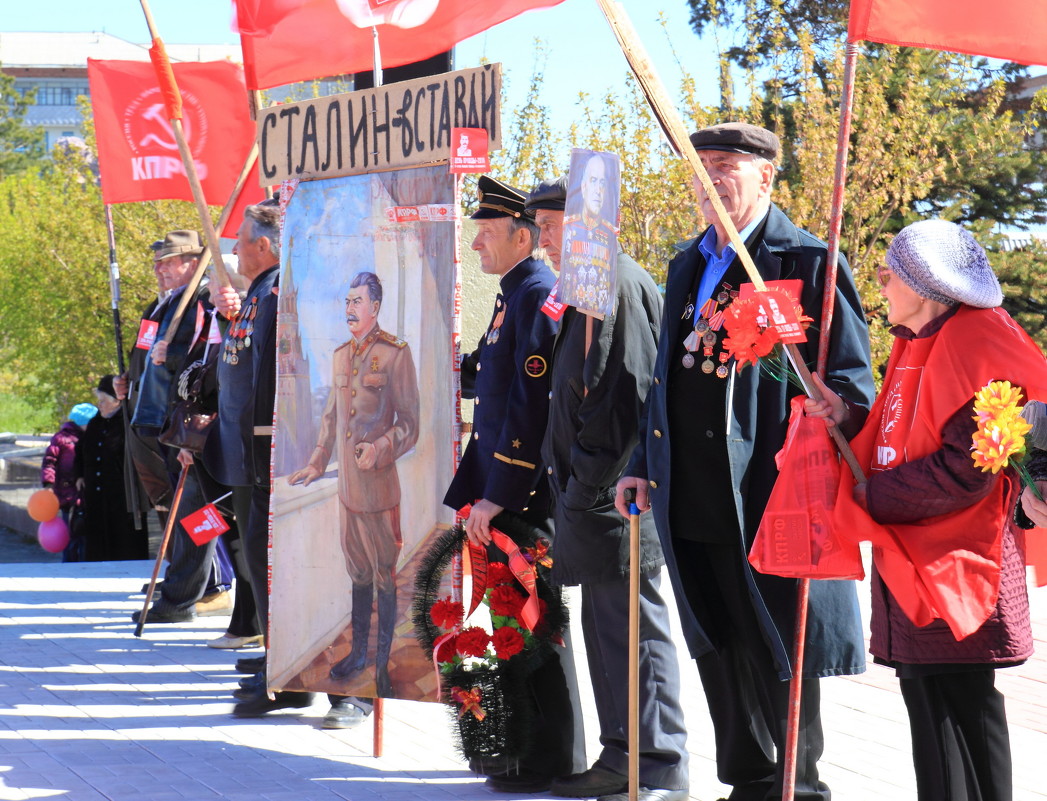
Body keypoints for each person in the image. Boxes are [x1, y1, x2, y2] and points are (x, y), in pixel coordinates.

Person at [615, 122, 875, 801]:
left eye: (725, 164)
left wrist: (837, 407)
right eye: (699, 165)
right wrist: (640, 459)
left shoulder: (806, 262)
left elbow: (852, 381)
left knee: (778, 644)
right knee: (717, 635)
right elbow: (663, 383)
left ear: (766, 177)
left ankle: (797, 784)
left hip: (766, 493)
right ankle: (747, 779)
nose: (709, 179)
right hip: (690, 492)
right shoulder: (685, 265)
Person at [807, 219, 1047, 801]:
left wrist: (866, 497)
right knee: (929, 707)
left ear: (926, 282)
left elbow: (965, 470)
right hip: (915, 558)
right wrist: (848, 419)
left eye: (891, 271)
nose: (881, 281)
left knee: (964, 710)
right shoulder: (918, 341)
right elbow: (902, 440)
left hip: (963, 564)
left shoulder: (979, 341)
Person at [527, 178, 689, 801]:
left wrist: (584, 485)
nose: (543, 238)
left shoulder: (615, 282)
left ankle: (655, 761)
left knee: (633, 630)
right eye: (540, 225)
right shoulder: (586, 284)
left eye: (551, 224)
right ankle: (623, 752)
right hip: (589, 493)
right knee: (607, 630)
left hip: (613, 495)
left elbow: (623, 395)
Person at [443, 174, 584, 794]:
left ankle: (551, 756)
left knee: (534, 623)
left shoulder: (538, 292)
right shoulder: (512, 294)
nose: (476, 246)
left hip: (524, 493)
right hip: (502, 489)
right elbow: (495, 384)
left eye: (486, 235)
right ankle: (527, 751)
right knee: (512, 624)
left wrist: (501, 493)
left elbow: (530, 404)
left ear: (523, 237)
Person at [208, 202, 371, 729]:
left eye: (243, 240)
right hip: (259, 462)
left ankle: (352, 687)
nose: (234, 250)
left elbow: (307, 380)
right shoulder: (260, 294)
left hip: (297, 460)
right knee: (268, 568)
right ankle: (293, 673)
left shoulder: (287, 294)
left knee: (321, 572)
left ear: (267, 246)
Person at [288, 271, 419, 698]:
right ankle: (359, 654)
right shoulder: (342, 355)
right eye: (346, 301)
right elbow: (331, 419)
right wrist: (315, 462)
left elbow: (410, 425)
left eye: (357, 301)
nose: (349, 309)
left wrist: (380, 447)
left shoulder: (396, 355)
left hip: (379, 490)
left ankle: (384, 663)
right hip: (348, 491)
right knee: (358, 573)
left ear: (375, 307)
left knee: (385, 575)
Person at [123, 230, 232, 624]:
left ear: (192, 262)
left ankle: (188, 595)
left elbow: (204, 360)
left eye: (169, 262)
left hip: (188, 423)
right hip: (162, 421)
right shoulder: (162, 305)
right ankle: (192, 588)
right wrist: (128, 380)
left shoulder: (202, 302)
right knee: (185, 510)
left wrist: (171, 359)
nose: (160, 270)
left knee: (195, 512)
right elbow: (148, 357)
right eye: (158, 263)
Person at [74, 375, 147, 561]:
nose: (100, 405)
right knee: (97, 536)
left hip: (122, 493)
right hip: (96, 492)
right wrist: (79, 475)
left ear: (116, 402)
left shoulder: (127, 422)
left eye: (103, 401)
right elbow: (81, 450)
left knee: (124, 538)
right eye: (99, 401)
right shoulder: (95, 423)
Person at [41, 402, 96, 562]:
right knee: (69, 533)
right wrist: (48, 484)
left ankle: (84, 561)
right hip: (66, 494)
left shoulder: (89, 438)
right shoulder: (61, 439)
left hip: (83, 493)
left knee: (83, 533)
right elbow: (49, 462)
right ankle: (69, 562)